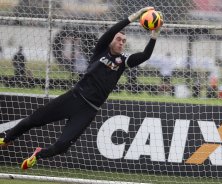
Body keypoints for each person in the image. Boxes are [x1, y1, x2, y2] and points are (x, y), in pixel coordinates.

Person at [0, 7, 162, 170]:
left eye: (124, 41)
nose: (121, 43)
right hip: (74, 98)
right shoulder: (101, 51)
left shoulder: (123, 62)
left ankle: (38, 155)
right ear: (111, 40)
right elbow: (113, 30)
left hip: (88, 110)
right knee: (34, 120)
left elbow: (145, 55)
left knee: (62, 147)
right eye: (119, 39)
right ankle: (7, 139)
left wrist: (155, 33)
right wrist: (134, 16)